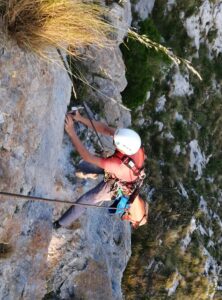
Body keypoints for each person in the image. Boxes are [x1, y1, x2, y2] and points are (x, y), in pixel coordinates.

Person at [53, 110, 148, 229]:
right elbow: (105, 129)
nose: (114, 140)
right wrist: (80, 118)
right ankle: (80, 169)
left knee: (85, 200)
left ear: (123, 149)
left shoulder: (116, 165)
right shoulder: (132, 144)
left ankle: (59, 224)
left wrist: (71, 132)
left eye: (116, 143)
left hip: (117, 184)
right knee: (85, 166)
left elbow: (87, 156)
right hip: (124, 173)